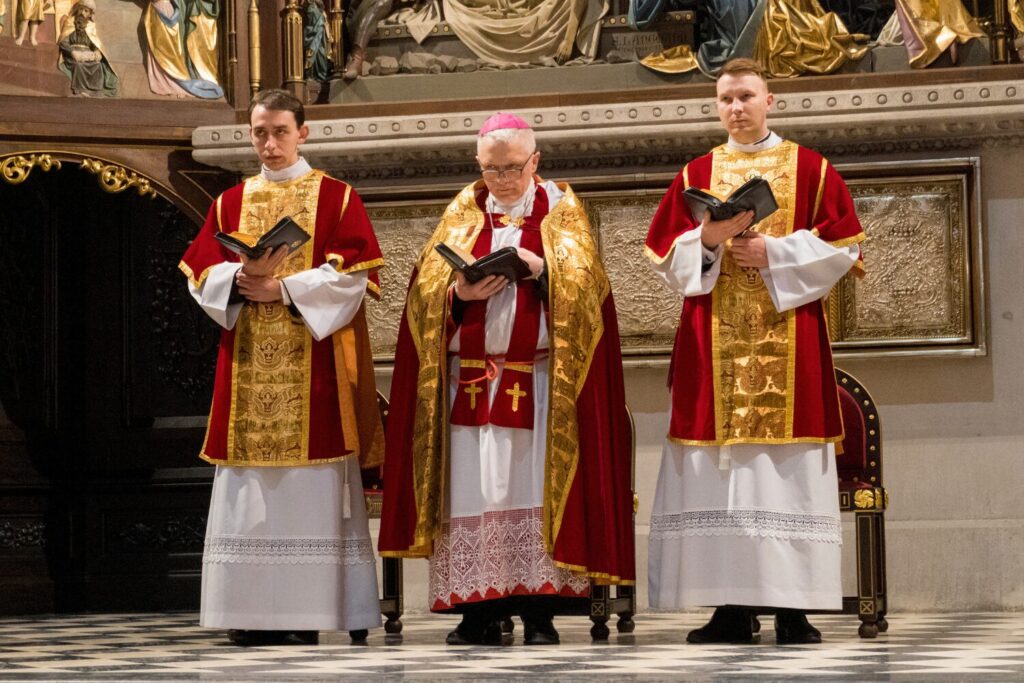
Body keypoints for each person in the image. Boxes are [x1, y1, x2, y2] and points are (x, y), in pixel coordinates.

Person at [379, 112, 634, 646]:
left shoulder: (562, 213)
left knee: (532, 492)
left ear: (534, 161)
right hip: (469, 383)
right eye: (491, 169)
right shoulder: (461, 215)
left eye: (513, 168)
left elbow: (589, 293)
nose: (501, 180)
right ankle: (479, 613)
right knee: (474, 497)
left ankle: (540, 614)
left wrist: (542, 271)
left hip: (539, 384)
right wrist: (456, 295)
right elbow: (422, 299)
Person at [644, 58, 865, 645]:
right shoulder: (696, 172)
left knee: (786, 473)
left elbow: (846, 248)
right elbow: (664, 257)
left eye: (745, 96)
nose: (736, 108)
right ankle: (731, 607)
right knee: (718, 481)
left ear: (770, 101)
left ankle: (795, 609)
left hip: (789, 342)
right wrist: (707, 240)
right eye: (726, 99)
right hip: (711, 345)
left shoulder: (811, 168)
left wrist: (777, 254)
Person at [178, 88, 385, 647]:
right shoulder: (230, 202)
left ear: (303, 133)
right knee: (248, 496)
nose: (269, 144)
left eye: (280, 132)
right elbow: (200, 273)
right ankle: (247, 612)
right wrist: (240, 279)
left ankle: (302, 615)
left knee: (306, 492)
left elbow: (353, 277)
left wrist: (284, 289)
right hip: (246, 367)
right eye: (259, 133)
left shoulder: (336, 198)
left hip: (312, 370)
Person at [57, 0, 119, 98]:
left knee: (98, 65)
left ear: (90, 14)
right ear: (77, 10)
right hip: (72, 53)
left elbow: (94, 42)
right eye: (81, 9)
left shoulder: (90, 25)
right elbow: (63, 42)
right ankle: (80, 89)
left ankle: (95, 90)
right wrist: (72, 52)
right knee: (79, 65)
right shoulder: (70, 22)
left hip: (87, 53)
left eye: (86, 11)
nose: (82, 13)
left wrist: (97, 51)